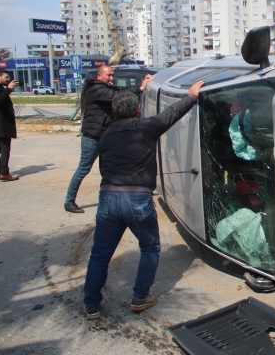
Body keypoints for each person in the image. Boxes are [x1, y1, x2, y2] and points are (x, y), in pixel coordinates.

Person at [82, 79, 204, 320]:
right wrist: (191, 96)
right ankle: (139, 297)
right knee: (149, 248)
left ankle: (91, 305)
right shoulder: (145, 127)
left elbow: (104, 168)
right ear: (137, 110)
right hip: (137, 198)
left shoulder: (105, 136)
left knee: (100, 255)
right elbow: (172, 113)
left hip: (107, 197)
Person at [64, 66, 153, 213]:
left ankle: (107, 199)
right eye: (109, 75)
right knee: (83, 169)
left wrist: (140, 85)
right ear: (99, 75)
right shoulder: (94, 89)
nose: (111, 78)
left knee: (107, 170)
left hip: (105, 135)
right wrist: (141, 87)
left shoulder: (106, 87)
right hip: (92, 137)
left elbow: (118, 91)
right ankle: (69, 201)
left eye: (112, 75)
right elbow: (117, 97)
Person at [0, 70, 20, 181]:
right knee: (5, 148)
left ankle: (0, 171)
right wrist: (9, 89)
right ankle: (4, 172)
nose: (8, 79)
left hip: (0, 123)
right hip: (1, 123)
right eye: (5, 77)